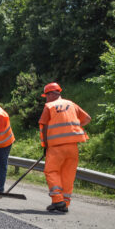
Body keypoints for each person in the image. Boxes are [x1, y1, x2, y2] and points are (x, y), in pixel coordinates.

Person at [39, 82, 91, 213]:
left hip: (56, 147)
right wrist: (74, 127)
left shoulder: (49, 106)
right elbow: (87, 119)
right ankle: (65, 204)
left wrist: (45, 145)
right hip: (73, 147)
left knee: (51, 171)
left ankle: (57, 200)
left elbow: (44, 126)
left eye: (46, 95)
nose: (46, 98)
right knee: (68, 174)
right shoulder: (71, 104)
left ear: (51, 94)